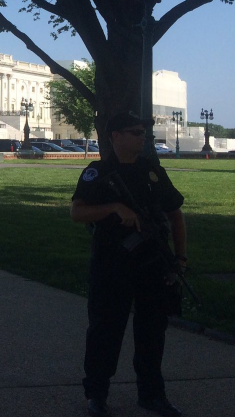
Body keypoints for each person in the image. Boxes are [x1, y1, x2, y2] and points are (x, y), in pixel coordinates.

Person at [71, 111, 188, 417]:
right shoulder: (97, 172)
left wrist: (180, 258)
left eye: (143, 133)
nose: (142, 138)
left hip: (152, 264)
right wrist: (113, 208)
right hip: (112, 265)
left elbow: (175, 214)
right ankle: (96, 393)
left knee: (152, 333)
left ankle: (152, 394)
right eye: (135, 132)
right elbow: (77, 212)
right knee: (105, 331)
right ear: (115, 137)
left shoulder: (152, 172)